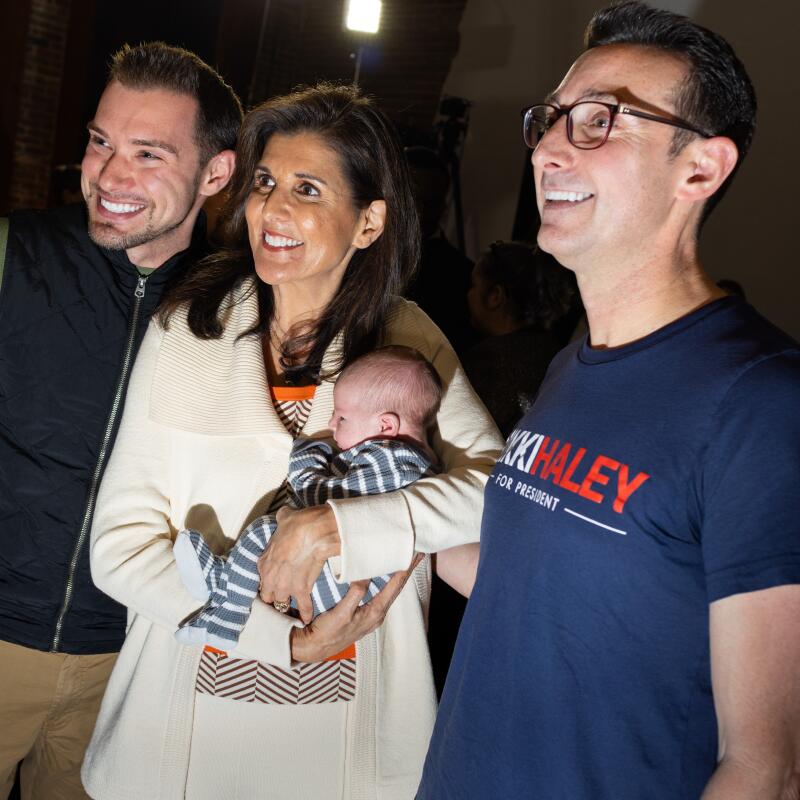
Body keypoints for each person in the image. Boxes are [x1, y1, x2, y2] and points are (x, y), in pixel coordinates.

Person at [419, 3, 800, 798]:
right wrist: (383, 504)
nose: (550, 147)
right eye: (551, 119)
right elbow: (530, 590)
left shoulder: (762, 402)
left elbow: (765, 767)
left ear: (699, 169)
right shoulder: (575, 364)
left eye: (600, 121)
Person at [82, 83, 502, 800]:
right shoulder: (186, 333)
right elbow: (117, 548)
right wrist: (273, 639)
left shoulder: (408, 338)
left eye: (307, 189)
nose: (273, 209)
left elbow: (493, 498)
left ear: (368, 222)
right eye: (266, 183)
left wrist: (337, 528)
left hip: (354, 747)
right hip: (178, 739)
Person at [0, 43, 240, 800]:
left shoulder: (234, 309)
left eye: (147, 153)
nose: (109, 175)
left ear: (215, 173)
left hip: (132, 663)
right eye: (101, 142)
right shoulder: (16, 252)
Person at [172, 345, 441, 647]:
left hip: (341, 581)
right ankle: (224, 584)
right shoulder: (407, 460)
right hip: (343, 576)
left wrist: (306, 460)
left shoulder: (392, 461)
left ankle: (227, 616)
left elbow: (327, 503)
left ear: (385, 425)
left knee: (267, 531)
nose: (330, 425)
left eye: (342, 419)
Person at [463, 240, 575, 437]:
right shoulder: (561, 357)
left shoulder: (486, 362)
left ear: (495, 296)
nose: (468, 294)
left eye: (473, 285)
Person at [403, 146, 476, 355]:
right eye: (415, 198)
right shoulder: (356, 253)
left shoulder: (463, 275)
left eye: (432, 201)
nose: (421, 210)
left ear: (443, 205)